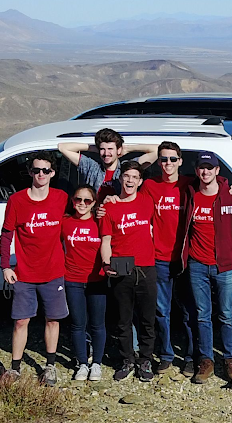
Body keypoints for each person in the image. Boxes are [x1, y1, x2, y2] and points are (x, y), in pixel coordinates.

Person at [0, 152, 69, 385]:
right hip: (24, 273)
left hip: (53, 271)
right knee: (21, 321)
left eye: (46, 170)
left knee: (53, 319)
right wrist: (5, 267)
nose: (41, 174)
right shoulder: (17, 201)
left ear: (53, 173)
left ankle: (50, 365)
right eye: (37, 170)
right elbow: (6, 235)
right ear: (30, 172)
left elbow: (79, 219)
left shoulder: (61, 198)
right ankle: (15, 368)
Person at [178, 152, 232, 384]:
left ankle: (228, 357)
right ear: (196, 171)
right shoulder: (190, 194)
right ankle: (206, 359)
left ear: (218, 171)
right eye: (201, 168)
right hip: (197, 264)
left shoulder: (231, 197)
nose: (205, 172)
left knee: (226, 314)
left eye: (210, 168)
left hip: (224, 266)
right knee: (202, 315)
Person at [99, 161, 158, 381]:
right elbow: (106, 240)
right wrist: (106, 264)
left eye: (135, 177)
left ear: (140, 181)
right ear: (121, 178)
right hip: (121, 264)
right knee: (123, 319)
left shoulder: (147, 201)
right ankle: (127, 359)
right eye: (127, 176)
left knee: (147, 319)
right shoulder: (110, 207)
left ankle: (145, 360)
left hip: (146, 265)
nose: (130, 180)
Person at [145, 141, 191, 374]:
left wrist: (229, 187)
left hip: (184, 257)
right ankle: (165, 353)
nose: (168, 164)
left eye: (173, 159)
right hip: (159, 257)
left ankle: (192, 356)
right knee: (162, 310)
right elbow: (129, 197)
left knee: (187, 310)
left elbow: (216, 183)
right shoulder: (150, 186)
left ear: (180, 161)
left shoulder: (189, 185)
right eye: (163, 159)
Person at [61, 183, 108, 381]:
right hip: (73, 279)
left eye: (87, 200)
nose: (82, 204)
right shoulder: (65, 222)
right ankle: (82, 363)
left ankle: (96, 363)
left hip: (97, 279)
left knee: (97, 324)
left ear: (94, 203)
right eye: (78, 200)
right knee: (77, 324)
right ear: (72, 201)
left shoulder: (100, 222)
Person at [57, 128, 149, 196]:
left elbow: (156, 150)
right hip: (94, 217)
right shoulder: (91, 167)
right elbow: (62, 147)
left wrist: (128, 149)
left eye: (110, 149)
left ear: (118, 150)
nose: (106, 153)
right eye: (102, 149)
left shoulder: (128, 168)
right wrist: (93, 148)